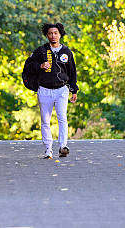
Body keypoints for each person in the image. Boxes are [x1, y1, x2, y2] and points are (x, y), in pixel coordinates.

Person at [25, 22, 78, 159]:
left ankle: (63, 146)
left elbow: (72, 72)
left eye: (55, 33)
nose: (53, 36)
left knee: (62, 117)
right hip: (44, 90)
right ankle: (48, 149)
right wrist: (40, 65)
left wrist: (74, 90)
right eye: (50, 33)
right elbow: (28, 66)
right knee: (45, 120)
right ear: (47, 35)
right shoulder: (40, 51)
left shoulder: (66, 52)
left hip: (61, 89)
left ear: (60, 34)